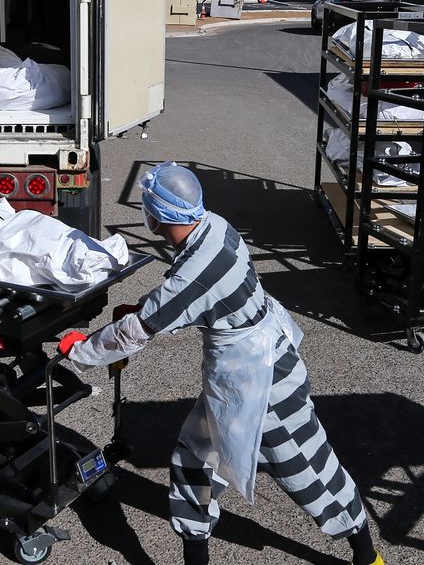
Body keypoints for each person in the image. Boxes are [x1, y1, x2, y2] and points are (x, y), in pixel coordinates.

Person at [58, 162, 383, 565]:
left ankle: (367, 556)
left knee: (308, 470)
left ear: (157, 217)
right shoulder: (213, 225)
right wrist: (147, 307)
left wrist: (82, 349)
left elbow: (141, 328)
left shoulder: (195, 273)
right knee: (193, 462)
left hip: (263, 380)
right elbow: (184, 297)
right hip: (241, 372)